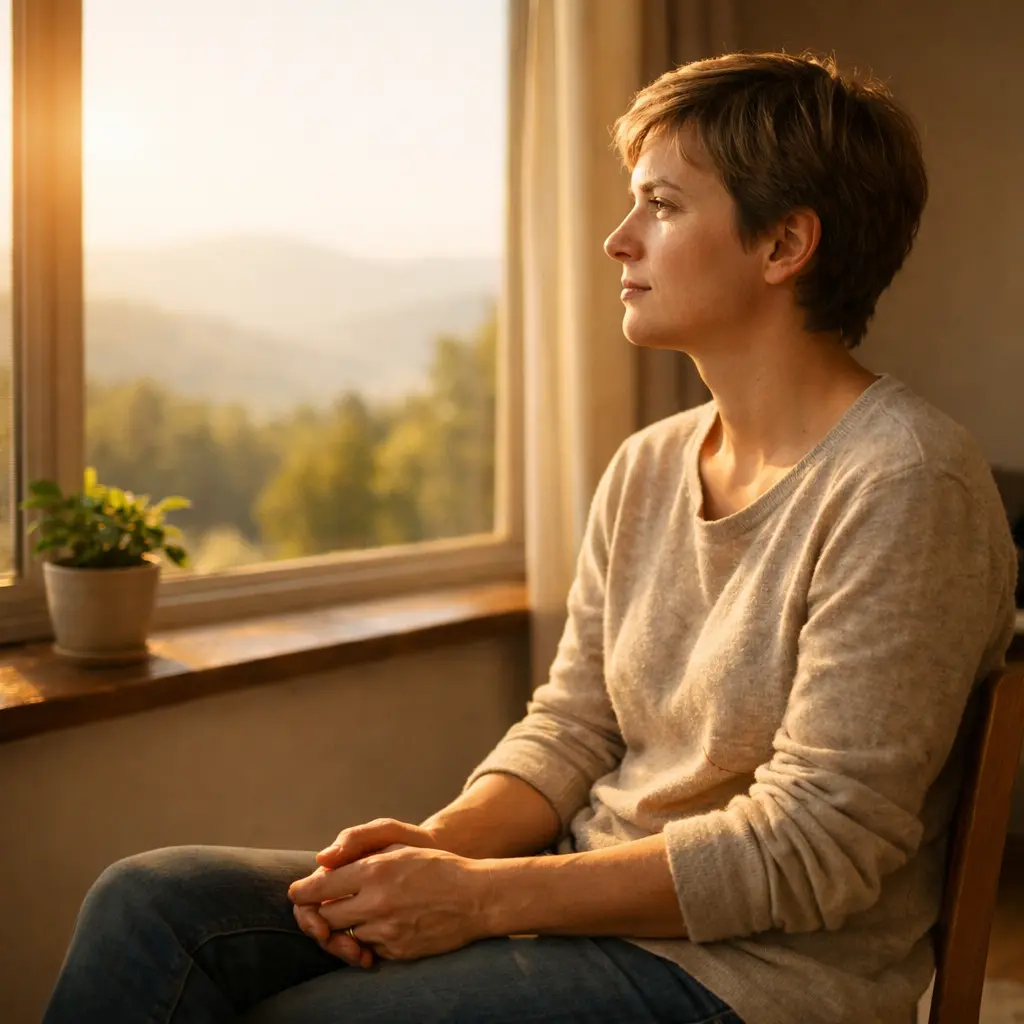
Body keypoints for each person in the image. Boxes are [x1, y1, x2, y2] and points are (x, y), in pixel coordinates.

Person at [43, 52, 1018, 1024]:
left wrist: (482, 899)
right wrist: (440, 850)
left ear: (783, 245)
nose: (615, 240)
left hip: (753, 982)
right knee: (151, 905)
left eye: (663, 206)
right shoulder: (647, 465)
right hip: (574, 907)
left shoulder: (905, 482)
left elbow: (818, 844)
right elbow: (573, 726)